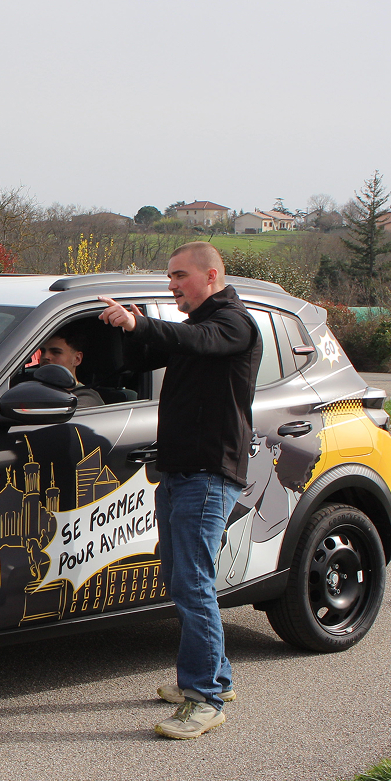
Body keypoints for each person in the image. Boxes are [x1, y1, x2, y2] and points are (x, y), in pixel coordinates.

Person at [97, 242, 261, 740]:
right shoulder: (195, 327)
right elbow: (155, 350)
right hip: (179, 472)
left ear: (211, 275)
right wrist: (120, 331)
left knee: (192, 582)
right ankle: (217, 678)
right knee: (180, 577)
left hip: (208, 475)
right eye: (169, 277)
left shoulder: (233, 323)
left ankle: (206, 697)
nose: (172, 285)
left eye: (179, 276)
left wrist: (137, 323)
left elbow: (200, 342)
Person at [36, 329, 104, 408]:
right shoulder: (35, 389)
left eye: (56, 352)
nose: (45, 356)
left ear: (77, 359)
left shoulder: (86, 398)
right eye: (43, 351)